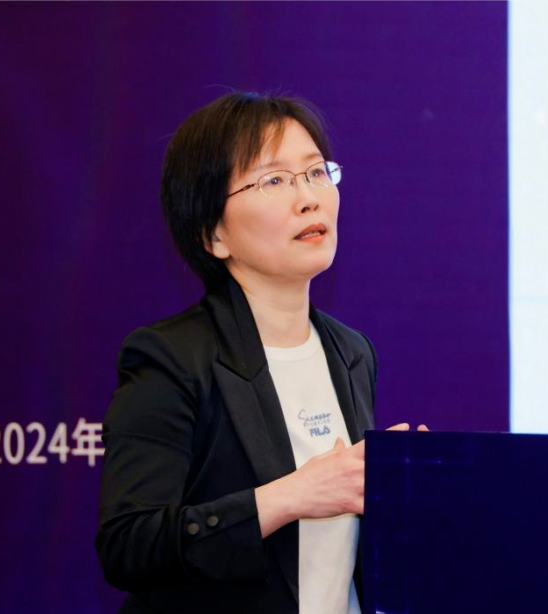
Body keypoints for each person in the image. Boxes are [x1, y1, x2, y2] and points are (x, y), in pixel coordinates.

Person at [95, 92, 422, 614]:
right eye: (274, 181)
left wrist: (399, 485)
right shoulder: (172, 358)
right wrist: (292, 495)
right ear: (213, 235)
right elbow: (131, 545)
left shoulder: (352, 352)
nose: (309, 198)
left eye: (316, 172)